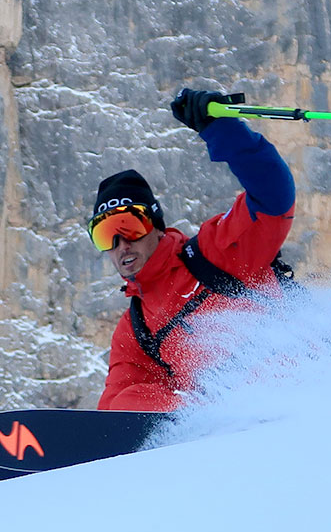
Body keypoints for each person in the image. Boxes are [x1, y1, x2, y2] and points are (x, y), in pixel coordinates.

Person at [90, 89, 296, 412]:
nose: (121, 246)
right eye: (106, 236)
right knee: (126, 401)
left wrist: (224, 130)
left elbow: (274, 196)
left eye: (130, 227)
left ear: (156, 226)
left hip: (305, 393)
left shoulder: (212, 255)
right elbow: (117, 408)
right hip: (239, 435)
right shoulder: (136, 328)